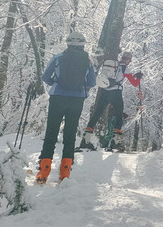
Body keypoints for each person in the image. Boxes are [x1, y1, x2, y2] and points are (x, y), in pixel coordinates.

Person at [36, 32, 96, 184]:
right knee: (70, 134)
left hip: (58, 97)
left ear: (67, 43)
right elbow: (92, 82)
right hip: (77, 99)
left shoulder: (58, 58)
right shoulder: (88, 61)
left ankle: (44, 171)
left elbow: (45, 77)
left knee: (51, 132)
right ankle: (65, 173)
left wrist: (57, 84)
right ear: (83, 44)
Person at [80, 51, 142, 151]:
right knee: (118, 116)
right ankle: (115, 143)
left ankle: (85, 140)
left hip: (104, 92)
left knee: (97, 114)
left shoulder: (113, 65)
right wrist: (138, 78)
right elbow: (134, 83)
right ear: (129, 60)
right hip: (116, 93)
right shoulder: (125, 68)